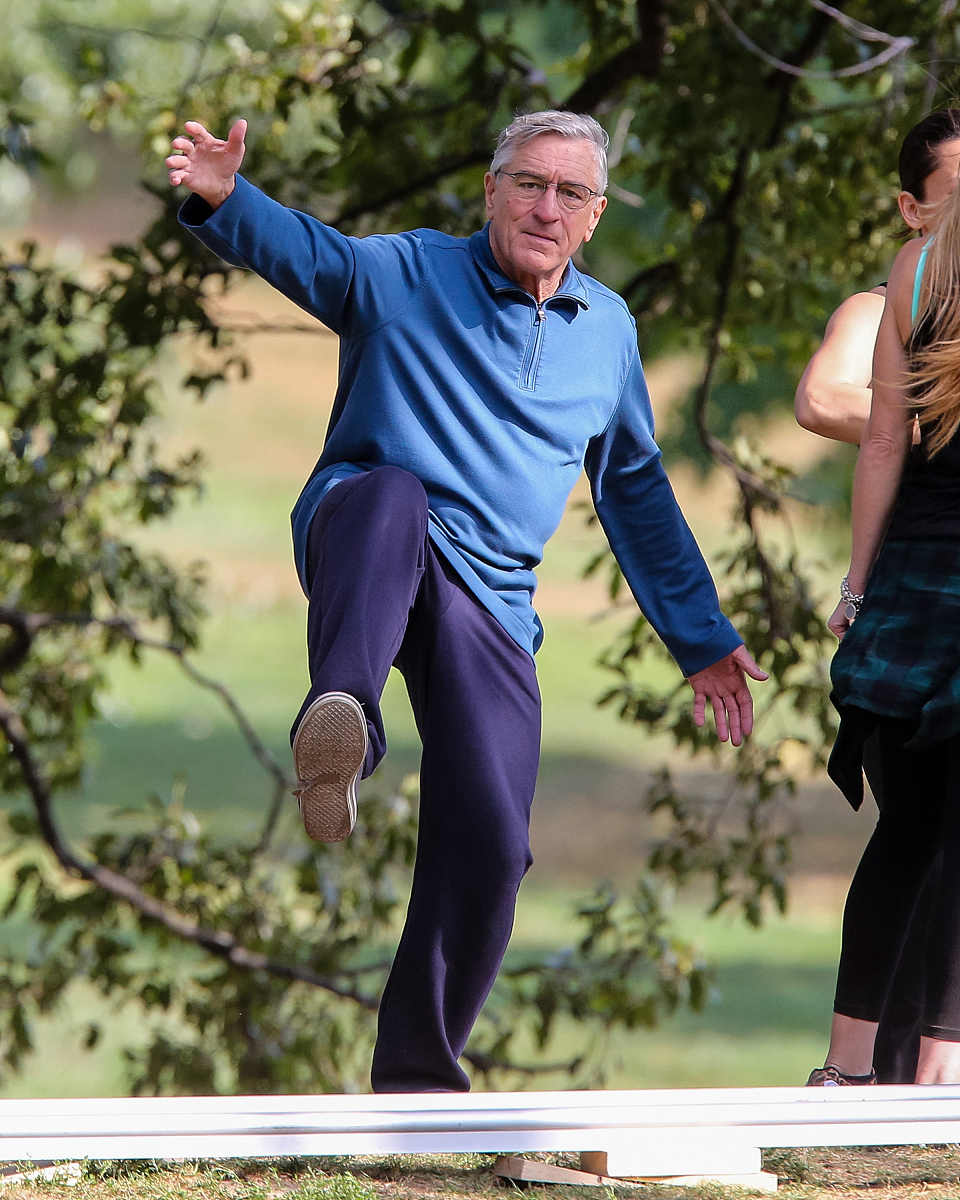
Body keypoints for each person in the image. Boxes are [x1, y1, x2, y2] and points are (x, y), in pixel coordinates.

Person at [167, 110, 766, 1093]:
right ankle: (344, 717)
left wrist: (700, 636)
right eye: (528, 182)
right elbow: (311, 256)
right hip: (368, 531)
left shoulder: (608, 333)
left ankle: (417, 1082)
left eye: (570, 193)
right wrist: (224, 197)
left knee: (493, 837)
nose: (546, 206)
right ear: (490, 191)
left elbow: (637, 491)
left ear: (597, 215)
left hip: (487, 595)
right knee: (394, 492)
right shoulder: (407, 273)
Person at [797, 109, 960, 1086]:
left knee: (911, 829)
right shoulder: (912, 278)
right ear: (910, 205)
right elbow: (843, 410)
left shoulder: (913, 277)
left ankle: (847, 1070)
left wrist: (860, 585)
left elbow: (887, 449)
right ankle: (941, 1077)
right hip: (926, 576)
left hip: (916, 571)